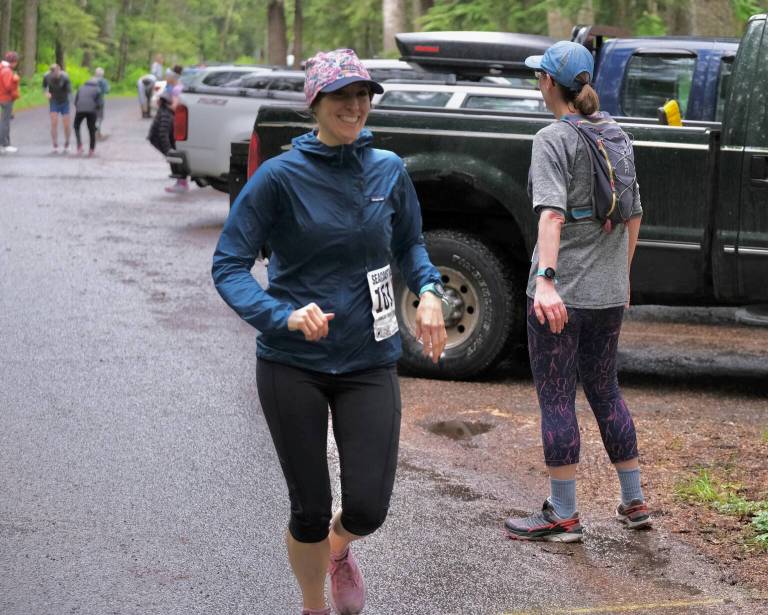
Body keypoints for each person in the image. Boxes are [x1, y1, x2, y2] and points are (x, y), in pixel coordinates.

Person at [211, 48, 448, 615]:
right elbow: (228, 264)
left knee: (368, 507)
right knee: (310, 509)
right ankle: (313, 604)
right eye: (343, 95)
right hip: (293, 362)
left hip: (368, 359)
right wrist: (281, 314)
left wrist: (431, 292)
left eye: (364, 94)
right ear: (315, 102)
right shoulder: (279, 178)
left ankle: (340, 549)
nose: (356, 105)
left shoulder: (387, 170)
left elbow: (410, 243)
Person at [504, 41, 649, 543]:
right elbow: (634, 217)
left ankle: (563, 514)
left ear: (548, 83)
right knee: (605, 388)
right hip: (608, 293)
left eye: (537, 78)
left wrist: (545, 280)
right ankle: (634, 501)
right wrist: (621, 279)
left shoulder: (552, 139)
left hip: (559, 296)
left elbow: (550, 214)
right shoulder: (619, 136)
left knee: (558, 397)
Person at [147, 66, 188, 192]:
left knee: (170, 148)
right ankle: (181, 180)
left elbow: (176, 107)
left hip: (173, 122)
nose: (166, 78)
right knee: (172, 148)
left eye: (167, 76)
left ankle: (181, 182)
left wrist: (165, 102)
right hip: (175, 123)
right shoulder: (178, 87)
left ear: (172, 77)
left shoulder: (176, 89)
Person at [43, 64, 72, 153]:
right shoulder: (47, 76)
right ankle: (55, 144)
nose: (55, 75)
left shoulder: (65, 77)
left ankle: (67, 143)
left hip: (64, 101)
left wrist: (72, 102)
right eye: (53, 74)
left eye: (57, 73)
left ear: (59, 71)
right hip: (54, 101)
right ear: (51, 73)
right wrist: (46, 93)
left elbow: (69, 92)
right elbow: (44, 87)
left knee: (66, 124)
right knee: (54, 122)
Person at [73, 75, 103, 156]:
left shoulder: (81, 88)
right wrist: (96, 112)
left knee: (76, 126)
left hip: (80, 109)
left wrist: (79, 108)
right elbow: (100, 104)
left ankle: (79, 146)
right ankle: (91, 150)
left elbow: (75, 101)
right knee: (91, 130)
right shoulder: (97, 89)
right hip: (91, 111)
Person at [0, 51, 20, 154]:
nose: (16, 64)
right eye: (16, 62)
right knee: (5, 122)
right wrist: (15, 80)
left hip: (2, 97)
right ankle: (5, 144)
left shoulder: (2, 68)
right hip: (6, 98)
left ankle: (4, 143)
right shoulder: (7, 71)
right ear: (13, 61)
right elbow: (8, 86)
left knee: (4, 121)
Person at [94, 67, 110, 139]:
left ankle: (94, 133)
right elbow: (107, 91)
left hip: (90, 101)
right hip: (100, 101)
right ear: (102, 74)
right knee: (99, 117)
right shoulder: (104, 81)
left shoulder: (91, 80)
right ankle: (98, 133)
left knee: (93, 117)